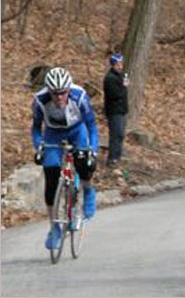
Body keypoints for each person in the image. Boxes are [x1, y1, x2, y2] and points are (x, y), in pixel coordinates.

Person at [32, 67, 99, 250]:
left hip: (77, 130)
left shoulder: (80, 97)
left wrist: (93, 151)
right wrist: (39, 146)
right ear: (49, 91)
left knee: (83, 161)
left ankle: (88, 190)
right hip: (53, 133)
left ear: (69, 90)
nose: (59, 97)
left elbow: (92, 126)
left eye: (63, 93)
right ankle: (54, 227)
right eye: (55, 93)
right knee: (51, 176)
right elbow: (36, 128)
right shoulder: (40, 100)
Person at [103, 53, 129, 166]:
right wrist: (124, 86)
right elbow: (115, 94)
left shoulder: (120, 75)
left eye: (121, 64)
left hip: (121, 110)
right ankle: (112, 158)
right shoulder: (109, 78)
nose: (120, 67)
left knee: (121, 134)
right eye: (117, 65)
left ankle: (117, 156)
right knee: (116, 134)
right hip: (114, 111)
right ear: (113, 65)